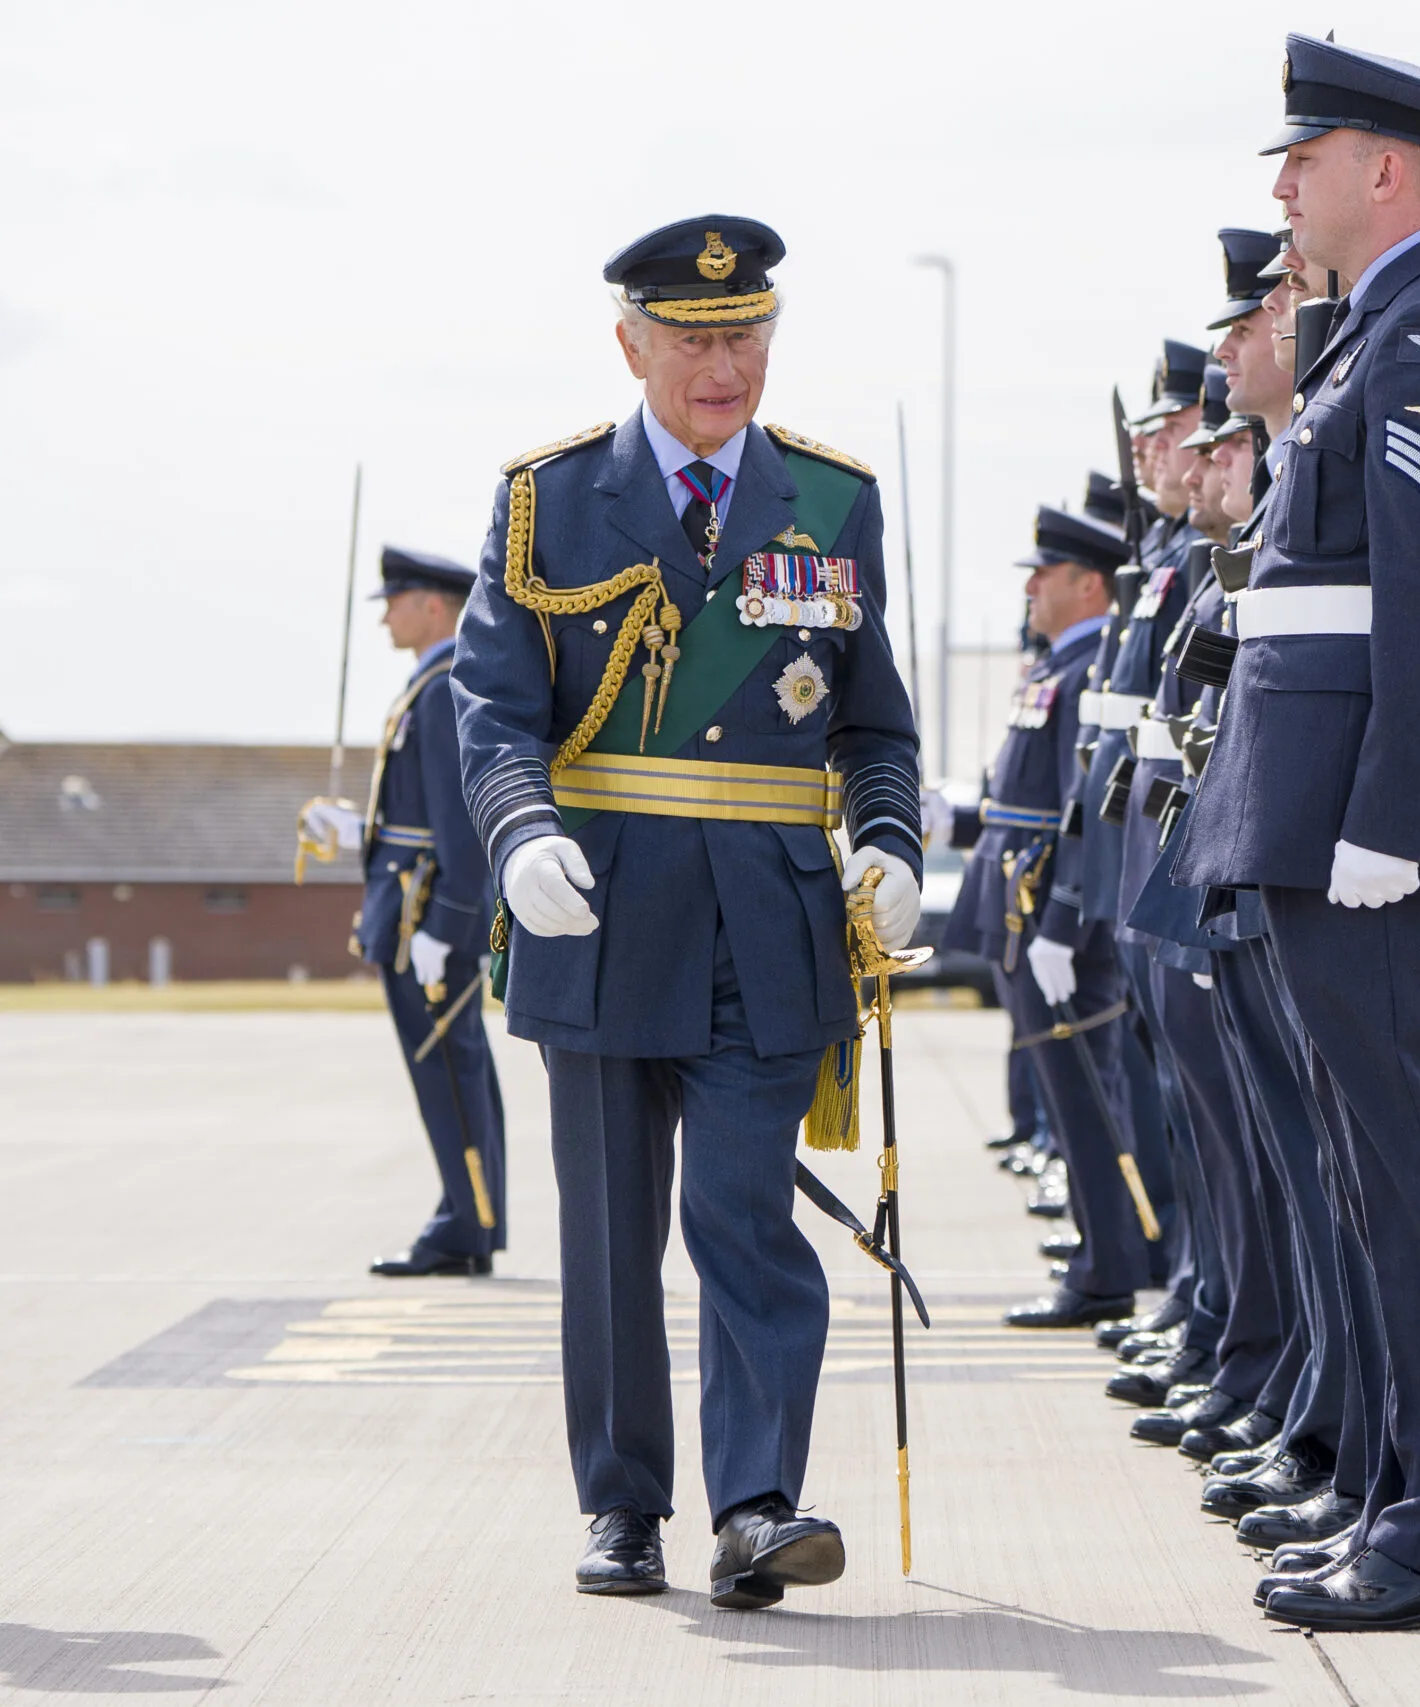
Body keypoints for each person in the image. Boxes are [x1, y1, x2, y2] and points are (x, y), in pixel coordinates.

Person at [450, 215, 924, 1606]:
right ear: (631, 345)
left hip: (767, 922)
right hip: (596, 910)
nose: (725, 364)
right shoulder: (549, 499)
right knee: (608, 1233)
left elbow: (872, 722)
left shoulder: (831, 500)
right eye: (696, 337)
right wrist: (520, 827)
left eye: (748, 334)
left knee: (747, 1219)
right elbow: (491, 709)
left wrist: (890, 838)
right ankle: (622, 1502)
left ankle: (760, 1503)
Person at [1174, 33, 1420, 1633]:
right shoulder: (1381, 335)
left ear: (1384, 171)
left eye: (1302, 158)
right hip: (1324, 806)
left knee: (1411, 1172)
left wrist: (1387, 821)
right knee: (1371, 1173)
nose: (1282, 185)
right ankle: (1413, 1492)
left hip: (1370, 823)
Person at [948, 503, 1155, 1329]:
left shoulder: (1088, 672)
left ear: (1089, 583)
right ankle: (1095, 1252)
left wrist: (1066, 924)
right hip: (1020, 906)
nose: (1031, 586)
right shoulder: (1050, 670)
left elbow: (1084, 808)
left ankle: (1106, 1267)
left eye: (1046, 572)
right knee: (1066, 1101)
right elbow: (1024, 802)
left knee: (1084, 1095)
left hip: (1051, 912)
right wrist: (957, 818)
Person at [313, 546, 507, 1278]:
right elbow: (416, 812)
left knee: (448, 1076)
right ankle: (473, 1217)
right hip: (412, 913)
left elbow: (460, 825)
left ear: (433, 605)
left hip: (426, 920)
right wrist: (351, 826)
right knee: (453, 1075)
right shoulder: (430, 684)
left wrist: (445, 924)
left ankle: (466, 1223)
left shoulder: (443, 688)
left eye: (396, 600)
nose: (386, 614)